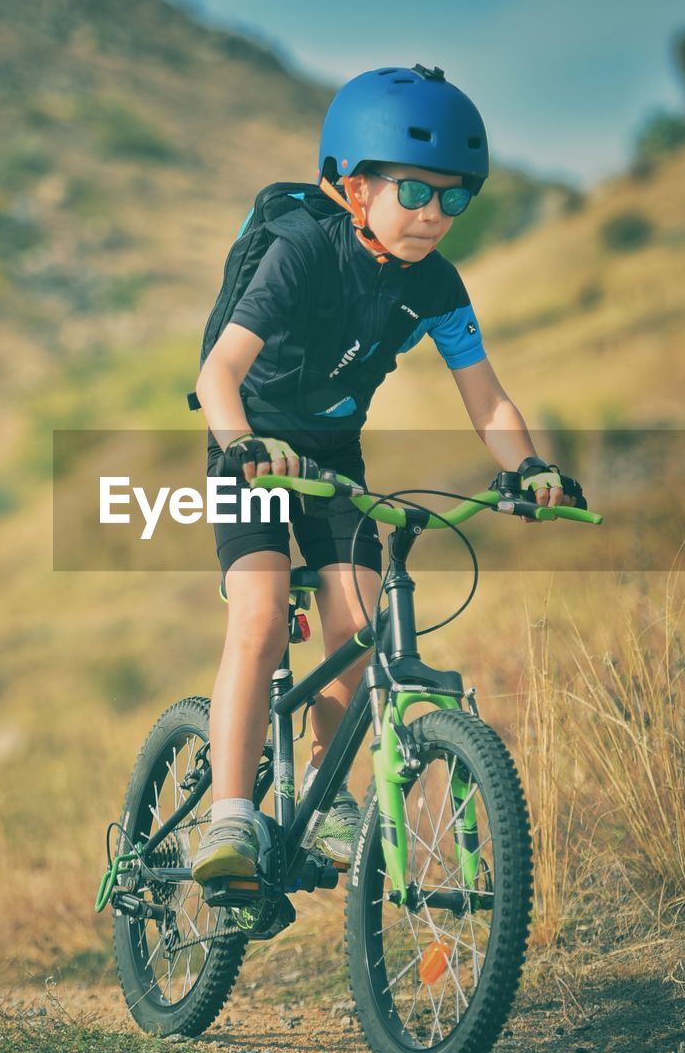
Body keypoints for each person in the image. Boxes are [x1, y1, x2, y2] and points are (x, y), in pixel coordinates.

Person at [190, 64, 582, 884]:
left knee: (358, 625)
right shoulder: (301, 252)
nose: (435, 215)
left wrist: (532, 469)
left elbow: (489, 400)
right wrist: (241, 446)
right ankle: (228, 822)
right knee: (260, 617)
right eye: (414, 192)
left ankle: (330, 801)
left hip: (332, 459)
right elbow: (218, 375)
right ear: (354, 185)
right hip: (252, 446)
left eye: (454, 198)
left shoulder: (436, 285)